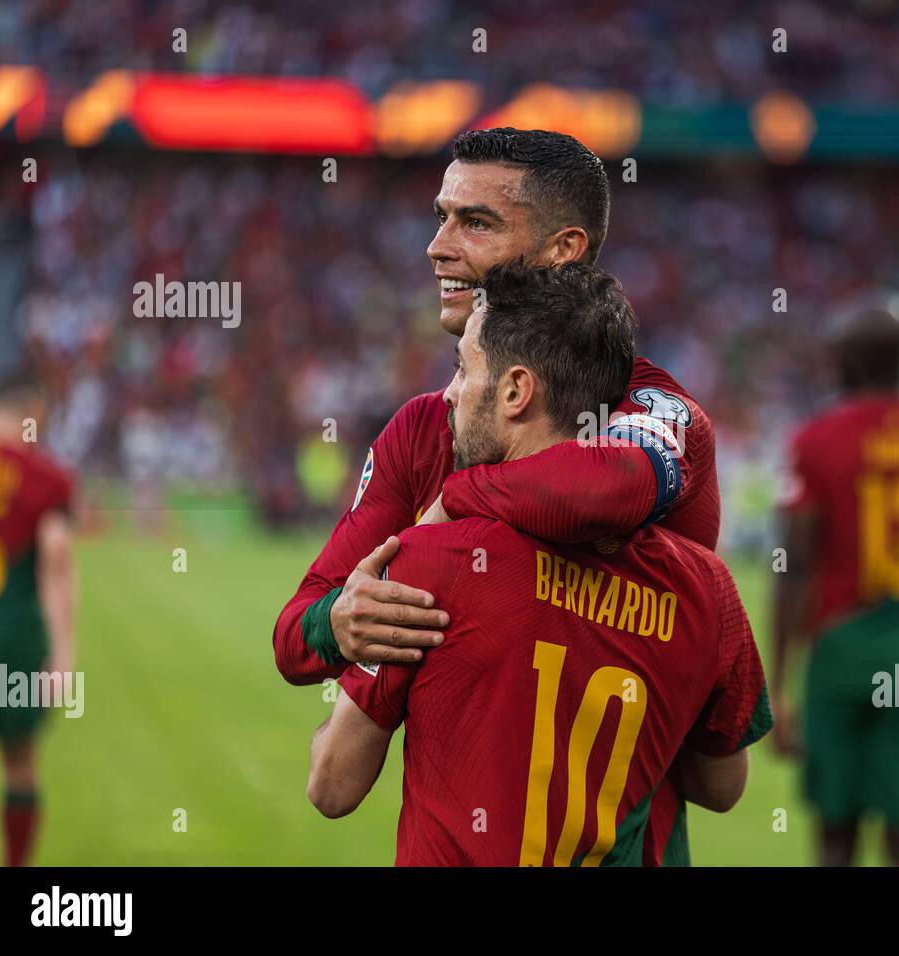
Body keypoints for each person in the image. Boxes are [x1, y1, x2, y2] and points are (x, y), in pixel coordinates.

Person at [272, 128, 721, 863]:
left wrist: (444, 516)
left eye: (474, 222)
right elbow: (294, 639)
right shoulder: (423, 426)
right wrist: (341, 622)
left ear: (564, 250)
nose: (437, 246)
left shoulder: (654, 411)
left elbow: (602, 489)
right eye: (442, 215)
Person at [307, 263, 771, 865]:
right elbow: (722, 787)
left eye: (462, 369)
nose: (449, 393)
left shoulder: (432, 557)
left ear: (515, 391)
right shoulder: (708, 588)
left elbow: (333, 785)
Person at [770, 291, 899, 866]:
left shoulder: (816, 442)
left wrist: (780, 682)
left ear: (847, 362)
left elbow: (792, 567)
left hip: (838, 654)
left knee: (836, 837)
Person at [0, 371, 77, 866]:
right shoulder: (47, 478)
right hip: (10, 633)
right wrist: (63, 654)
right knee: (18, 762)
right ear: (34, 414)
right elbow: (55, 558)